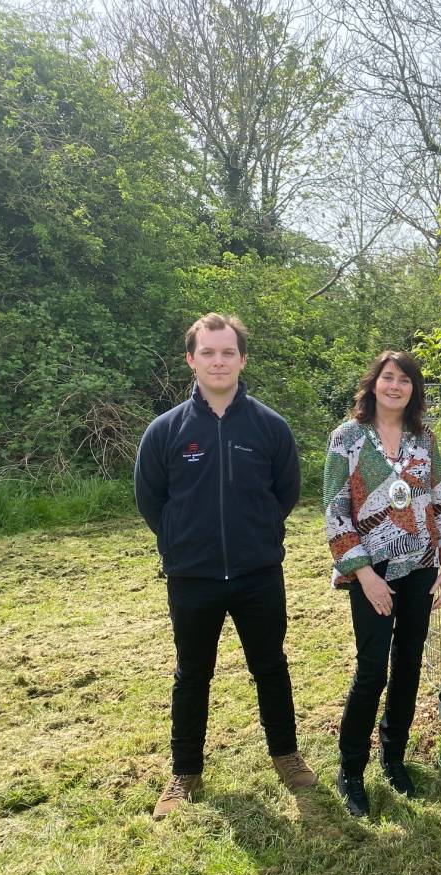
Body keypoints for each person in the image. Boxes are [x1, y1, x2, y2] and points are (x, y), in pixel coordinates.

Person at [135, 313, 316, 822]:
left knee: (271, 666)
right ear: (192, 359)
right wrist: (182, 543)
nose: (219, 361)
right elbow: (151, 501)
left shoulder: (269, 427)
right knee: (193, 674)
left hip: (258, 575)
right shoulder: (165, 431)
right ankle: (185, 772)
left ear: (242, 359)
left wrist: (253, 538)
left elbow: (285, 494)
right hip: (192, 578)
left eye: (228, 352)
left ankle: (287, 756)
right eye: (208, 353)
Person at [323, 351, 441, 817]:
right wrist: (364, 575)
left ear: (413, 390)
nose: (395, 386)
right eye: (388, 378)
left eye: (404, 380)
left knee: (409, 664)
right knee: (372, 669)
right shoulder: (348, 438)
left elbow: (438, 500)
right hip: (371, 572)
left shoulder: (425, 439)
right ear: (373, 384)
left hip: (420, 567)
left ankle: (394, 759)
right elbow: (336, 508)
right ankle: (351, 769)